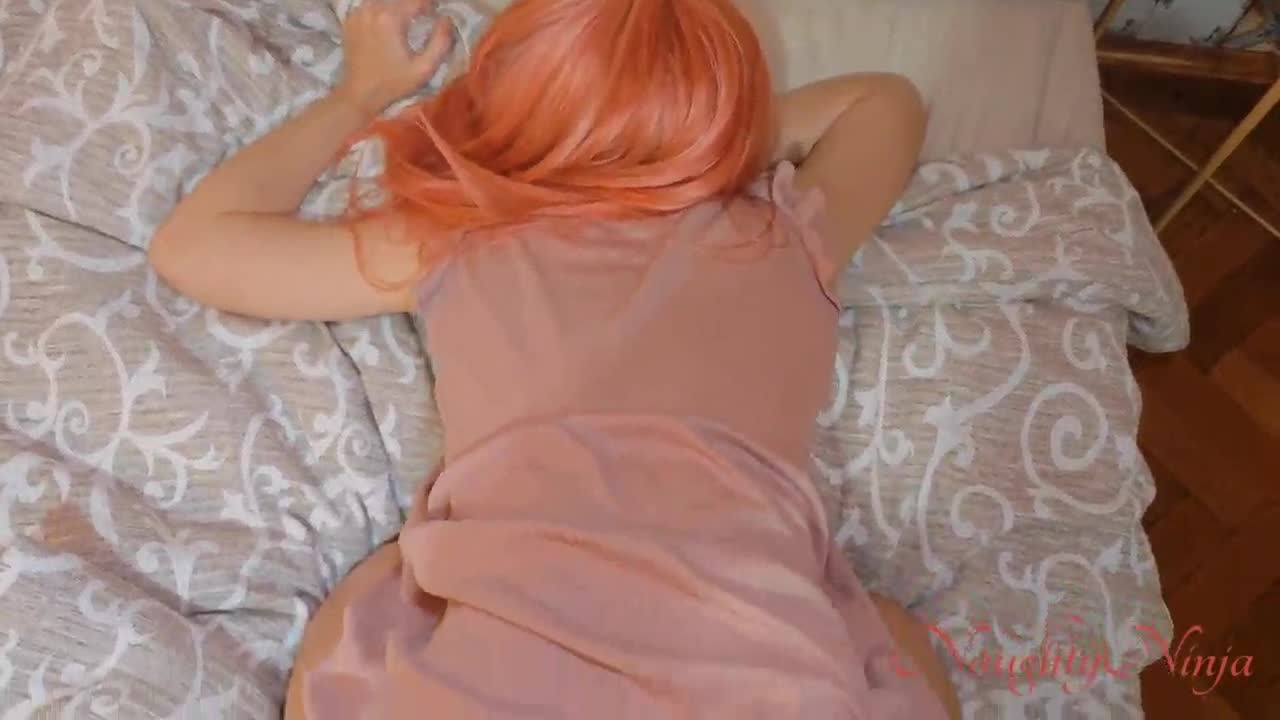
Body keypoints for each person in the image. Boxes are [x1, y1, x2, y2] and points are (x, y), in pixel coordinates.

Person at [149, 0, 959, 717]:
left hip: (496, 677)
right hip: (765, 670)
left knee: (368, 604)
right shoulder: (781, 238)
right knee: (886, 633)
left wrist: (358, 94)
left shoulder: (464, 244)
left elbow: (195, 247)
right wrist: (688, 142)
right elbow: (884, 103)